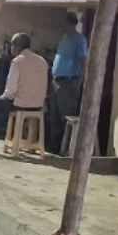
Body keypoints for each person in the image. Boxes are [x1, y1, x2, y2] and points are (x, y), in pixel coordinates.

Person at [0, 33, 49, 154]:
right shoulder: (42, 61)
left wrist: (0, 98)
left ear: (18, 46)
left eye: (12, 45)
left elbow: (10, 90)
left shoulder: (17, 61)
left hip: (20, 104)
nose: (11, 48)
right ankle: (31, 145)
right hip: (38, 105)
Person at [49, 11, 89, 154]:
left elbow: (83, 62)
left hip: (68, 81)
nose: (62, 25)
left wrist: (79, 83)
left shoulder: (79, 40)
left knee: (65, 117)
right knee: (54, 116)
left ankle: (66, 149)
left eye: (64, 22)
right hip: (56, 81)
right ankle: (54, 147)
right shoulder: (64, 38)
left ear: (70, 23)